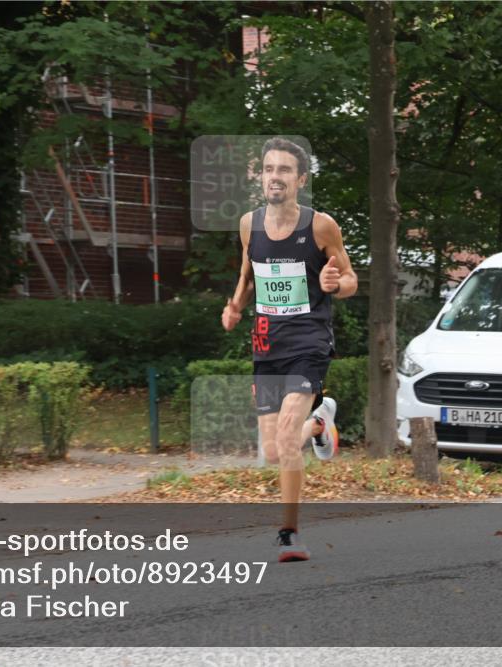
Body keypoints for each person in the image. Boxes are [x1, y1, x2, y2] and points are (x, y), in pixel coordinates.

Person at [221, 137, 358, 562]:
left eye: (284, 170)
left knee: (284, 435)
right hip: (266, 345)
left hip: (308, 343)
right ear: (260, 176)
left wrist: (338, 285)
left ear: (300, 179)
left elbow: (350, 278)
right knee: (276, 449)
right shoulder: (249, 224)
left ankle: (289, 534)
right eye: (268, 169)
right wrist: (235, 306)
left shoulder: (320, 226)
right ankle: (320, 426)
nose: (275, 176)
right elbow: (248, 275)